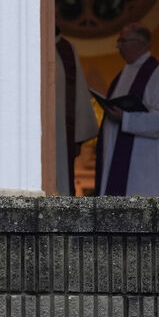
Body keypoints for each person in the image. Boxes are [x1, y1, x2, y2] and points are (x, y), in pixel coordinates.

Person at [94, 23, 159, 196]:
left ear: (141, 43)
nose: (118, 46)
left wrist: (125, 119)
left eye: (122, 41)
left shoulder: (158, 74)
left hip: (144, 172)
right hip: (120, 165)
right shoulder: (122, 75)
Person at [54, 29, 97, 195]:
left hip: (61, 135)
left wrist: (77, 137)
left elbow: (78, 91)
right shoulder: (23, 41)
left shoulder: (66, 50)